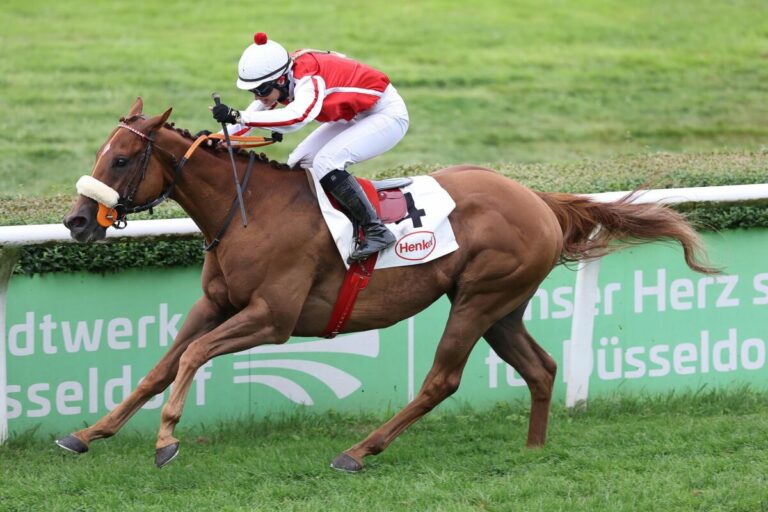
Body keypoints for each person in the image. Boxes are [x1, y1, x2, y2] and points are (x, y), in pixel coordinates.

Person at [211, 32, 409, 262]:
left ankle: (376, 230)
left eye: (262, 90)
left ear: (281, 79)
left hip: (387, 114)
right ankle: (323, 226)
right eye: (252, 90)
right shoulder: (283, 75)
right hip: (355, 114)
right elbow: (254, 115)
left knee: (326, 161)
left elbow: (297, 117)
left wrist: (237, 116)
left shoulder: (309, 78)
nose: (258, 96)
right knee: (299, 162)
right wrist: (217, 139)